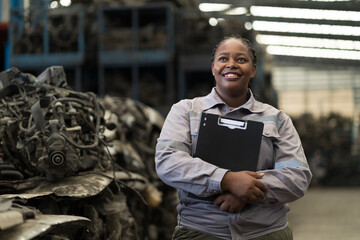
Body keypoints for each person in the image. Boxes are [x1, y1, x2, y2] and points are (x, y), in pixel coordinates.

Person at [155, 35, 312, 240]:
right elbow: (168, 161)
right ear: (213, 67)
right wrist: (225, 180)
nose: (231, 65)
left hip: (265, 231)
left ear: (253, 70)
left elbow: (297, 176)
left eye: (241, 60)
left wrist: (248, 192)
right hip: (202, 231)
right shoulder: (186, 111)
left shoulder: (277, 119)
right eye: (223, 59)